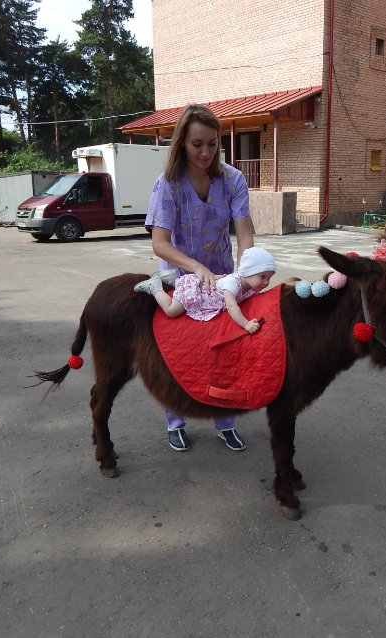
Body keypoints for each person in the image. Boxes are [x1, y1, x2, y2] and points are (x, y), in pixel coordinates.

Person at [142, 103, 256, 453]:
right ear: (181, 144)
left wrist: (246, 273)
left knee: (224, 349)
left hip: (220, 274)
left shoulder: (233, 180)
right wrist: (196, 269)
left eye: (211, 143)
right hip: (180, 277)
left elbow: (245, 235)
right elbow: (160, 244)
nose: (205, 152)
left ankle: (225, 421)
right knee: (177, 351)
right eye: (196, 144)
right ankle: (175, 420)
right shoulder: (169, 185)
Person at [136, 246, 275, 333]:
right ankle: (155, 287)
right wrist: (246, 324)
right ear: (248, 271)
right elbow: (231, 306)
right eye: (262, 276)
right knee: (172, 310)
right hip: (198, 293)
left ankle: (170, 281)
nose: (266, 282)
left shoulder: (251, 285)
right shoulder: (233, 284)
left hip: (211, 290)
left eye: (269, 278)